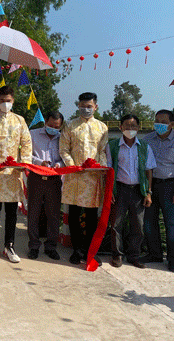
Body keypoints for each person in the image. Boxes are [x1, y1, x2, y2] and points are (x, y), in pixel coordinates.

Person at [0, 85, 32, 263]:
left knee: (11, 211)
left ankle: (9, 246)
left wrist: (23, 163)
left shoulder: (20, 120)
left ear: (13, 101)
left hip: (13, 173)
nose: (5, 104)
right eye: (1, 101)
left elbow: (26, 143)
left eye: (8, 101)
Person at [59, 92, 109, 265]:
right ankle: (76, 250)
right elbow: (64, 149)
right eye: (83, 106)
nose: (86, 109)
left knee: (90, 216)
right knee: (73, 214)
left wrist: (101, 167)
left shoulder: (102, 127)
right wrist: (73, 166)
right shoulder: (70, 125)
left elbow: (102, 150)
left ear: (95, 107)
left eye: (89, 106)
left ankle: (90, 250)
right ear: (78, 106)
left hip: (93, 177)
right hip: (74, 176)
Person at [141, 110, 174, 272]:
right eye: (157, 121)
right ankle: (154, 254)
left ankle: (173, 259)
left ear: (172, 124)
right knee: (149, 222)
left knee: (172, 224)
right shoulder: (148, 139)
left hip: (170, 186)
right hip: (151, 185)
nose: (159, 124)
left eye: (163, 121)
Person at [106, 115, 156, 269]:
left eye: (133, 126)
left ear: (139, 128)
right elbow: (109, 169)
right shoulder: (113, 146)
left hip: (137, 190)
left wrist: (148, 192)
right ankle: (117, 255)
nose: (130, 129)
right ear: (120, 127)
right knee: (116, 224)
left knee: (138, 225)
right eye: (127, 126)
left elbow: (149, 171)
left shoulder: (144, 147)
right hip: (120, 189)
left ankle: (134, 255)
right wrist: (110, 191)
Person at [27, 111, 64, 260]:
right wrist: (38, 163)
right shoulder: (32, 134)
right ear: (45, 122)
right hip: (36, 177)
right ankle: (34, 246)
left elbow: (65, 156)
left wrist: (59, 164)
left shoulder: (62, 138)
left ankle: (51, 246)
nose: (53, 129)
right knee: (34, 213)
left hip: (54, 179)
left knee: (53, 214)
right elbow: (25, 155)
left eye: (56, 126)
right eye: (50, 125)